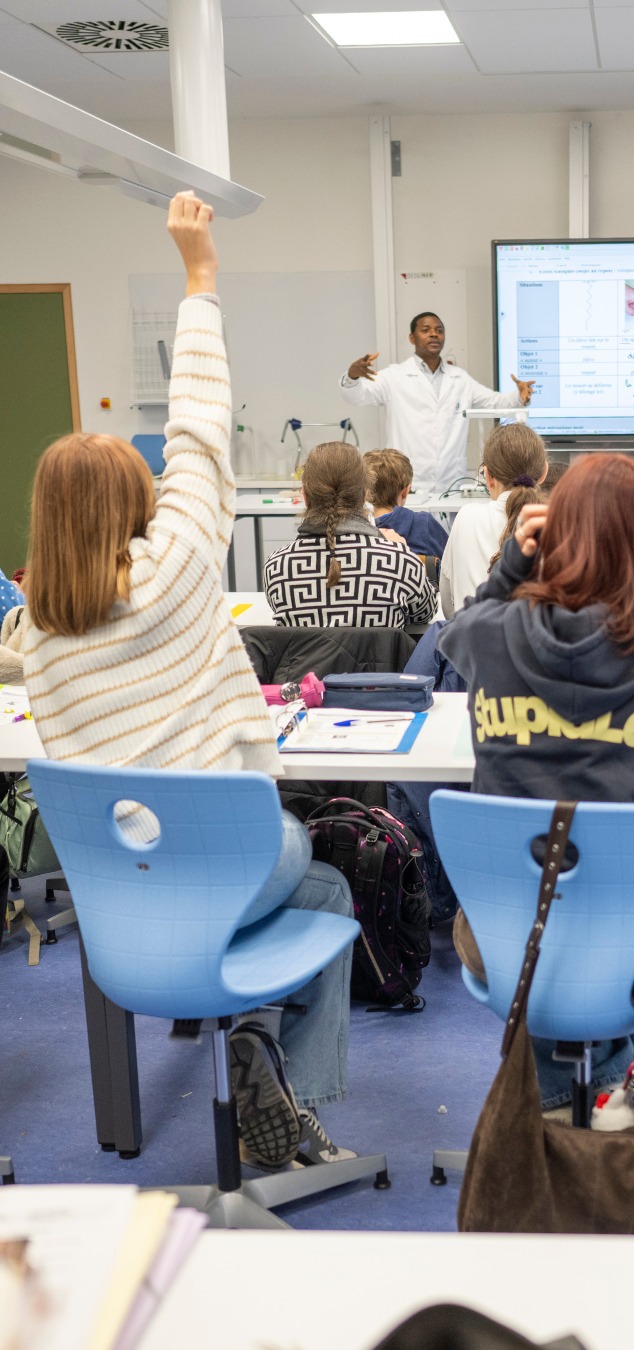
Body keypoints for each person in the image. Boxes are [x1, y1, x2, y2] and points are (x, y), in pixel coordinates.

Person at [20, 192, 358, 1172]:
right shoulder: (175, 575)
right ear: (139, 500)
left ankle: (272, 1091)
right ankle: (283, 1099)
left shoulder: (36, 638)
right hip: (227, 872)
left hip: (121, 909)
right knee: (321, 875)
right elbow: (202, 432)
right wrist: (198, 279)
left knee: (313, 884)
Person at [437, 453, 634, 1112]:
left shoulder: (495, 634)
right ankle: (598, 1092)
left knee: (543, 905)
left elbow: (454, 637)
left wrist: (511, 565)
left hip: (507, 941)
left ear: (552, 534)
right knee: (626, 897)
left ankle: (557, 1104)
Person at [340, 313, 535, 498]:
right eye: (425, 330)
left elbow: (494, 402)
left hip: (451, 483)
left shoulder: (459, 378)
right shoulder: (395, 376)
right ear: (411, 338)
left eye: (439, 330)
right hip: (408, 483)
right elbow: (357, 397)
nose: (434, 334)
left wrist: (519, 396)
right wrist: (352, 376)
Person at [264, 441, 436, 629]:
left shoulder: (276, 568)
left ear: (304, 495)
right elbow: (424, 614)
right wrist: (402, 552)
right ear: (364, 494)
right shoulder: (400, 560)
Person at [439, 423, 548, 618]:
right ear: (543, 473)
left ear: (488, 476)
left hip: (468, 644)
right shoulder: (557, 525)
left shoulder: (466, 517)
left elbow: (448, 606)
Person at [365, 447, 449, 561]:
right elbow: (449, 565)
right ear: (406, 491)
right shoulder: (424, 524)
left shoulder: (359, 530)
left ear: (366, 492)